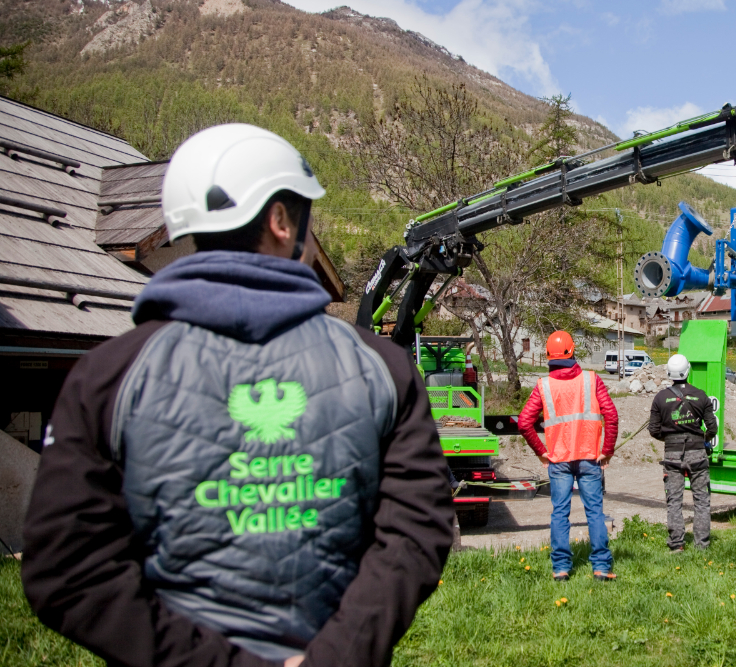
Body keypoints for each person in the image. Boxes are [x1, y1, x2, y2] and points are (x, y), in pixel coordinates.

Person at [21, 123, 456, 667]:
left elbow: (67, 571)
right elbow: (417, 533)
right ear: (280, 221)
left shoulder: (108, 375)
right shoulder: (381, 369)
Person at [517, 331, 619, 581]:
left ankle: (561, 569)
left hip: (558, 459)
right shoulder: (592, 380)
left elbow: (523, 422)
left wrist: (541, 452)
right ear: (571, 351)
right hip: (589, 457)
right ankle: (601, 568)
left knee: (559, 512)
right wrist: (607, 451)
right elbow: (611, 415)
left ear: (548, 355)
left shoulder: (544, 386)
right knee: (594, 512)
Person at [648, 354, 718, 552]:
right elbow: (712, 427)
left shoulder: (660, 398)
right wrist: (703, 438)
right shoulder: (701, 395)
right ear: (688, 371)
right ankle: (701, 546)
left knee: (674, 501)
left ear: (669, 373)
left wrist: (670, 439)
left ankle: (676, 544)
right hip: (697, 453)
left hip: (672, 455)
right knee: (702, 501)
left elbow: (654, 429)